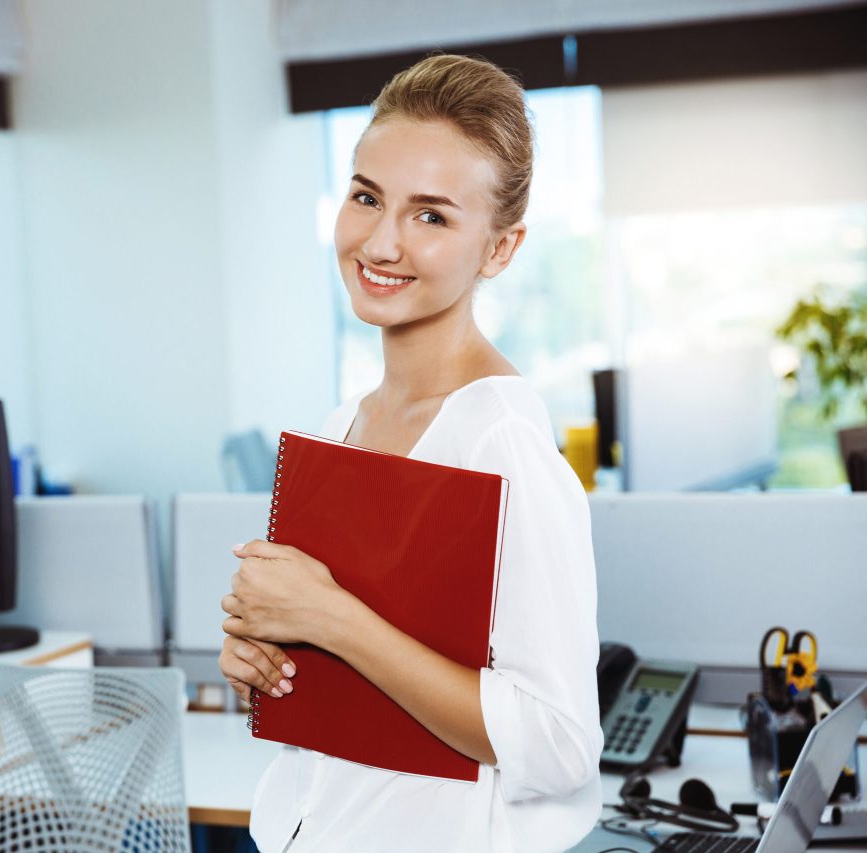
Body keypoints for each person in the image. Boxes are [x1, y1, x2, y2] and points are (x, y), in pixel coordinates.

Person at [218, 53, 603, 852]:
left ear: (499, 249)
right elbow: (340, 692)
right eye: (367, 197)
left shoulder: (502, 444)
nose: (381, 241)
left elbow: (560, 745)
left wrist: (332, 618)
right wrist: (266, 654)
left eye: (431, 216)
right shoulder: (340, 428)